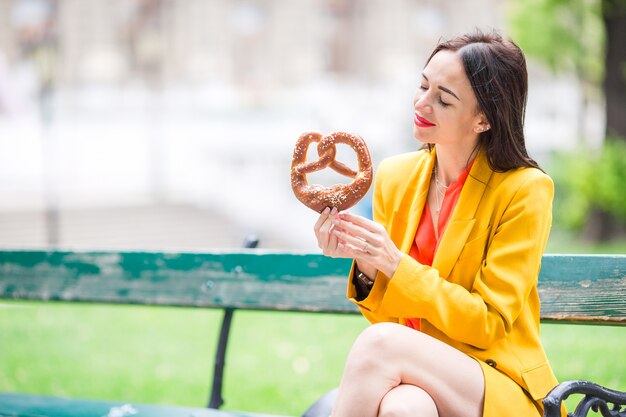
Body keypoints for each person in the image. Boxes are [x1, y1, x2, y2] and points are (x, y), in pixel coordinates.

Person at [314, 30, 561, 417]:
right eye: (423, 86)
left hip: (495, 379)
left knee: (379, 344)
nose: (422, 103)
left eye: (443, 99)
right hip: (416, 375)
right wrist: (365, 265)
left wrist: (395, 265)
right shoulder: (396, 176)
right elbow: (393, 318)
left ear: (483, 119)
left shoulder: (525, 190)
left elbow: (488, 323)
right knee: (404, 409)